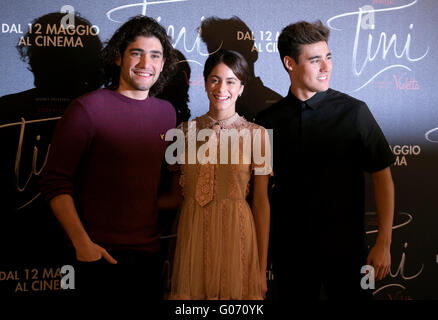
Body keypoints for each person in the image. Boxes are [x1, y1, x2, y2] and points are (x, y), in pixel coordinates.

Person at [39, 15, 177, 298]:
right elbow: (55, 183)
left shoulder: (167, 113)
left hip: (150, 255)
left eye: (154, 55)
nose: (145, 64)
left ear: (162, 64)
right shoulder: (87, 108)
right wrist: (83, 243)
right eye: (136, 53)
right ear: (119, 58)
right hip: (96, 254)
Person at [255, 20, 395, 300]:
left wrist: (384, 243)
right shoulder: (267, 122)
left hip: (351, 252)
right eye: (315, 60)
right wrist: (259, 266)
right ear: (289, 63)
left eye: (328, 57)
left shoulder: (355, 112)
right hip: (291, 255)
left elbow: (383, 177)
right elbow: (260, 197)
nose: (326, 67)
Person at [166, 49, 272, 300]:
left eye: (231, 81)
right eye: (214, 79)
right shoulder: (181, 132)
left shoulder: (258, 135)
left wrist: (260, 269)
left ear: (241, 88)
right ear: (204, 83)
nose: (221, 87)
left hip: (237, 238)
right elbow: (174, 196)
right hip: (191, 237)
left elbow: (260, 203)